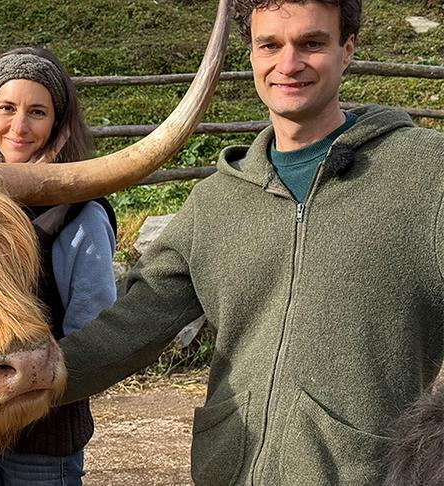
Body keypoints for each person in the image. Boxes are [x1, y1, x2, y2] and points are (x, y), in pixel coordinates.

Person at [56, 0, 444, 484]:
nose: (288, 64)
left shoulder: (428, 175)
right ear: (252, 56)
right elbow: (130, 329)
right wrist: (40, 374)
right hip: (229, 473)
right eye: (270, 46)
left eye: (311, 43)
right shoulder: (215, 201)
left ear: (347, 50)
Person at [0, 47, 117, 486]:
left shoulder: (82, 214)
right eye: (7, 108)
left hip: (43, 435)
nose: (19, 127)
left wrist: (41, 392)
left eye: (37, 112)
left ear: (57, 123)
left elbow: (92, 322)